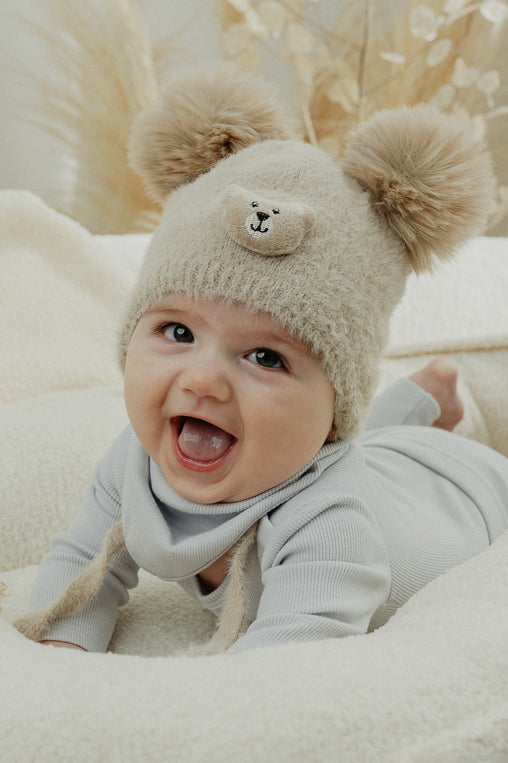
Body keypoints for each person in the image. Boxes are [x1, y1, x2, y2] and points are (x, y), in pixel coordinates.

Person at [15, 68, 508, 655]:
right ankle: (422, 399)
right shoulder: (134, 458)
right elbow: (81, 567)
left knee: (349, 458)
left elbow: (282, 681)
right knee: (321, 448)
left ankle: (421, 415)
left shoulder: (334, 525)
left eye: (266, 357)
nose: (201, 379)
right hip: (355, 456)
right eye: (176, 331)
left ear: (335, 405)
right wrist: (58, 655)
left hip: (459, 486)